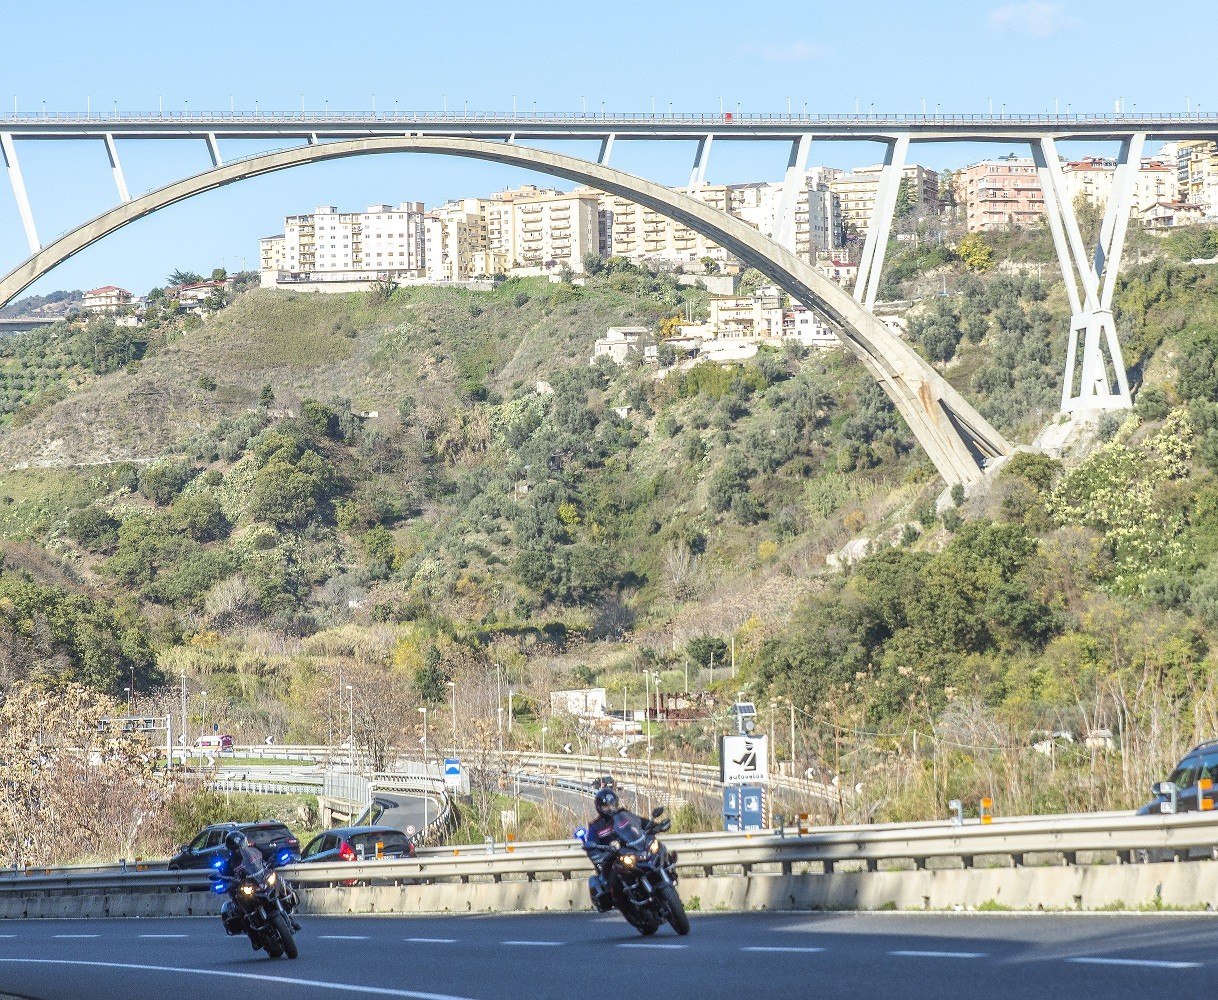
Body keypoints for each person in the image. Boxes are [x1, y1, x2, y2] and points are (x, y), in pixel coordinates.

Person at [581, 786, 636, 912]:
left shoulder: (624, 816)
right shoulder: (595, 826)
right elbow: (591, 845)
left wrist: (648, 828)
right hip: (611, 860)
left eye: (612, 804)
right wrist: (598, 855)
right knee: (614, 876)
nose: (610, 808)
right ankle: (619, 898)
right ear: (599, 807)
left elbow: (637, 826)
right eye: (606, 805)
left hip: (631, 851)